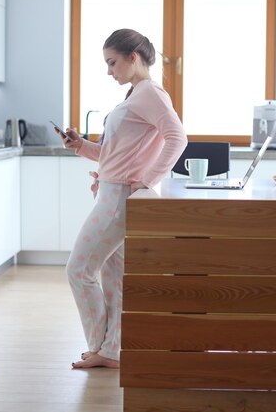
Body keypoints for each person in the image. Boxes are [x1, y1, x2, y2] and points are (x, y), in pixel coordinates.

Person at [54, 29, 188, 369]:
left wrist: (145, 181)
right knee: (113, 276)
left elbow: (178, 138)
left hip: (118, 199)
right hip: (113, 194)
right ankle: (112, 351)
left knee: (78, 270)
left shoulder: (150, 95)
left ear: (133, 57)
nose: (109, 71)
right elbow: (113, 155)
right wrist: (80, 144)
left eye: (112, 62)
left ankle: (98, 344)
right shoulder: (137, 95)